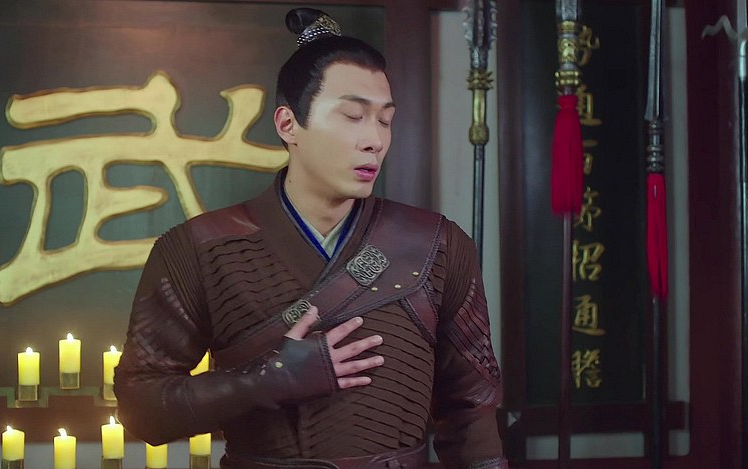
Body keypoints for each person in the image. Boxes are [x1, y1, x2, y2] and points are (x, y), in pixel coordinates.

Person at [114, 8, 507, 469]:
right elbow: (141, 409)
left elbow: (472, 411)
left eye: (384, 120)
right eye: (353, 116)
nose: (375, 140)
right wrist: (266, 381)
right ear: (288, 125)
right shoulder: (196, 250)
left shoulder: (438, 245)